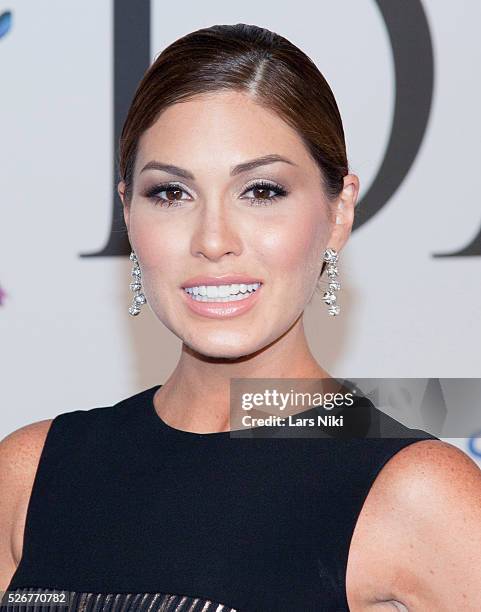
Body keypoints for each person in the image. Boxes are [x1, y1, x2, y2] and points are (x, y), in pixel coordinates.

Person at [1, 23, 480, 612]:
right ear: (127, 212)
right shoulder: (30, 474)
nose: (213, 240)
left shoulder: (421, 495)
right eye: (171, 194)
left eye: (261, 191)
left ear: (339, 211)